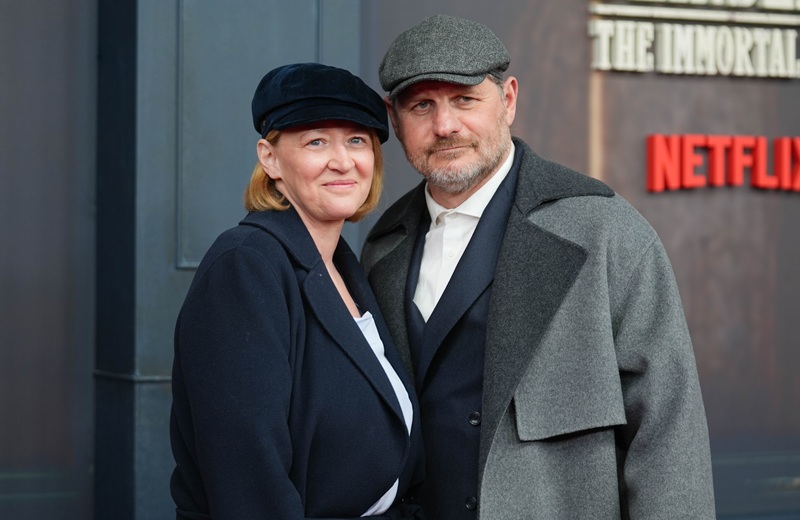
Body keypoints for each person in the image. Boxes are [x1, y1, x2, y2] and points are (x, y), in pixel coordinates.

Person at [361, 14, 716, 519]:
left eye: (465, 99)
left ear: (507, 100)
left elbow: (667, 427)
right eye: (422, 106)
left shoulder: (603, 229)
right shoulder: (382, 246)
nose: (445, 126)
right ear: (394, 122)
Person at [170, 62, 424, 519]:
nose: (343, 160)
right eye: (316, 141)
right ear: (269, 158)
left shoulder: (347, 269)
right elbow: (250, 481)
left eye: (356, 140)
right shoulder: (246, 265)